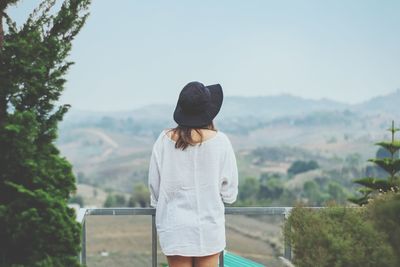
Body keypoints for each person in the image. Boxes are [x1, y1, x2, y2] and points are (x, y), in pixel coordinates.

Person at [148, 81, 239, 267]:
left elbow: (155, 190)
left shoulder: (163, 141)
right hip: (209, 228)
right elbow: (229, 195)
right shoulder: (221, 142)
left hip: (174, 228)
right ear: (209, 112)